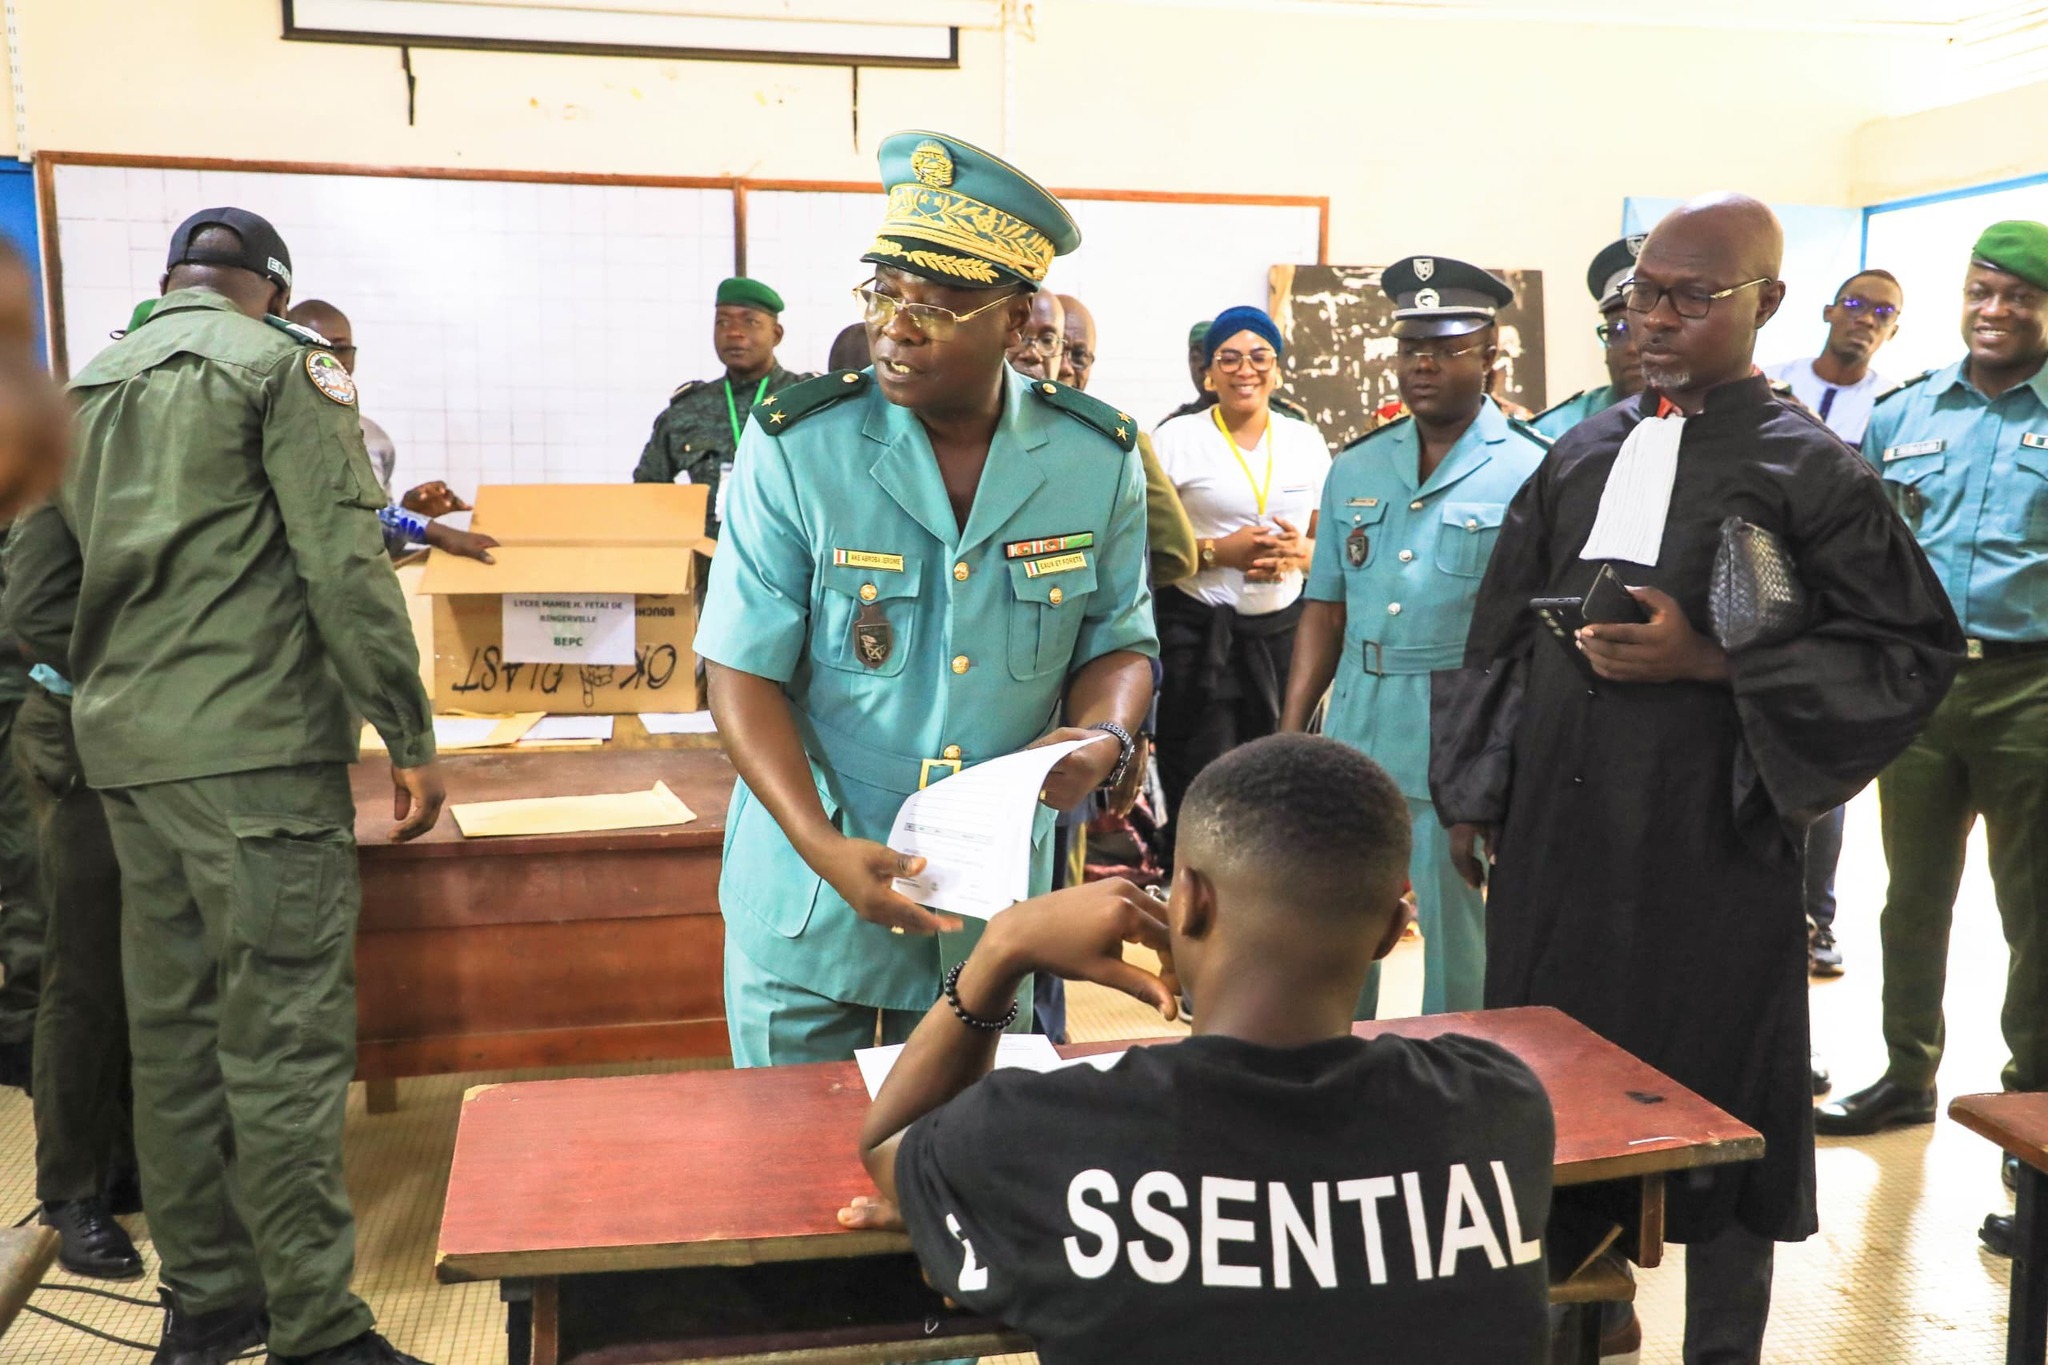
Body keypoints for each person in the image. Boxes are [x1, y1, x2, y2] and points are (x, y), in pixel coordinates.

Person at [1431, 194, 1960, 1363]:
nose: (1654, 320)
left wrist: (1712, 662)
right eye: (1641, 297)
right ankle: (1576, 1333)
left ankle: (1720, 1350)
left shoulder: (1808, 470)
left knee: (1724, 1106)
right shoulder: (1584, 449)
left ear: (1766, 302)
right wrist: (1472, 792)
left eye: (1689, 297)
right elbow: (1499, 626)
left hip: (1706, 850)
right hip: (1559, 848)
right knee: (1551, 1101)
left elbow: (1906, 651)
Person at [839, 733, 1555, 1365]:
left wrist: (1004, 947)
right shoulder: (1499, 1107)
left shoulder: (1049, 1138)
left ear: (1187, 899)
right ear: (1394, 931)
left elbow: (893, 1145)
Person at [58, 207, 447, 1365]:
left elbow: (34, 581)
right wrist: (406, 728)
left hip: (128, 758)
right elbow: (342, 563)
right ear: (272, 290)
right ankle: (317, 1331)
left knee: (173, 1043)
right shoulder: (287, 369)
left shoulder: (85, 390)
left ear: (171, 281)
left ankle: (211, 1304)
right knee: (280, 1044)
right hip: (256, 755)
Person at [697, 132, 1157, 1071]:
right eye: (884, 293)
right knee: (788, 1149)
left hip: (991, 913)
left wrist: (1106, 735)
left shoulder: (1094, 460)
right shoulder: (799, 449)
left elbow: (1117, 638)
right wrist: (819, 843)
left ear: (1018, 320)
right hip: (811, 888)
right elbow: (738, 669)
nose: (896, 328)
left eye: (936, 306)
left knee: (969, 1149)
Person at [1815, 222, 2048, 1255]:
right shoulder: (1905, 411)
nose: (1994, 312)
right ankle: (1905, 1075)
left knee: (2034, 917)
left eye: (2019, 297)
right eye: (1979, 291)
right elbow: (1860, 551)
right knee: (1908, 899)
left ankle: (2030, 1126)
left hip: (2032, 690)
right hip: (1918, 688)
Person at [1282, 255, 1548, 1020]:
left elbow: (1534, 635)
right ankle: (1340, 1061)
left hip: (1460, 732)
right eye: (1410, 348)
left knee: (1456, 926)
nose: (1423, 364)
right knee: (1341, 913)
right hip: (1359, 722)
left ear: (1490, 355)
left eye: (1446, 348)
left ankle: (1460, 1069)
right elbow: (1325, 606)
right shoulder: (1358, 465)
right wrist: (1292, 730)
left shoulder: (1530, 468)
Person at [3, 502, 144, 1282]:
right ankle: (68, 1190)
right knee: (78, 969)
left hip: (131, 730)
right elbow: (34, 615)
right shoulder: (64, 469)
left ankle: (121, 1161)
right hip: (72, 729)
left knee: (134, 963)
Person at [1758, 270, 1905, 989]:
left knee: (1826, 771)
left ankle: (1815, 919)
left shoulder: (1893, 407)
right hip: (1755, 593)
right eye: (1854, 304)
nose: (1865, 319)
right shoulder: (1770, 380)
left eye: (1882, 312)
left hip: (1835, 609)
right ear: (1826, 310)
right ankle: (1757, 912)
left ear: (1893, 330)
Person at [1150, 306, 1327, 865]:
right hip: (1199, 635)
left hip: (1282, 637)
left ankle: (1270, 897)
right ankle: (1198, 892)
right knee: (1204, 784)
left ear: (1277, 369)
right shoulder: (1176, 439)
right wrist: (1217, 552)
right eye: (1228, 358)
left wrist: (1299, 555)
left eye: (1259, 357)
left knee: (1279, 781)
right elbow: (1144, 546)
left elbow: (1331, 541)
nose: (1244, 369)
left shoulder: (1305, 440)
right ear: (1208, 372)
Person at [284, 300, 497, 563]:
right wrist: (437, 532)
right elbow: (340, 516)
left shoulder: (373, 438)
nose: (331, 361)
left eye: (341, 348)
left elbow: (376, 542)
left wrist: (410, 512)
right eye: (316, 349)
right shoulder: (276, 430)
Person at [631, 276, 808, 536]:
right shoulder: (688, 409)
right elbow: (647, 491)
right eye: (722, 322)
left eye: (750, 322)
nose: (734, 332)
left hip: (791, 550)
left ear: (776, 334)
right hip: (710, 555)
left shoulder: (806, 399)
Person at [1057, 293, 1198, 585]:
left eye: (1079, 356)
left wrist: (1097, 586)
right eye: (1052, 346)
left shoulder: (1117, 441)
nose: (1065, 367)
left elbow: (1177, 555)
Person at [1530, 237, 1646, 440]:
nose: (1631, 348)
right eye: (1617, 331)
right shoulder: (1556, 432)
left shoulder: (1703, 425)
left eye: (1646, 329)